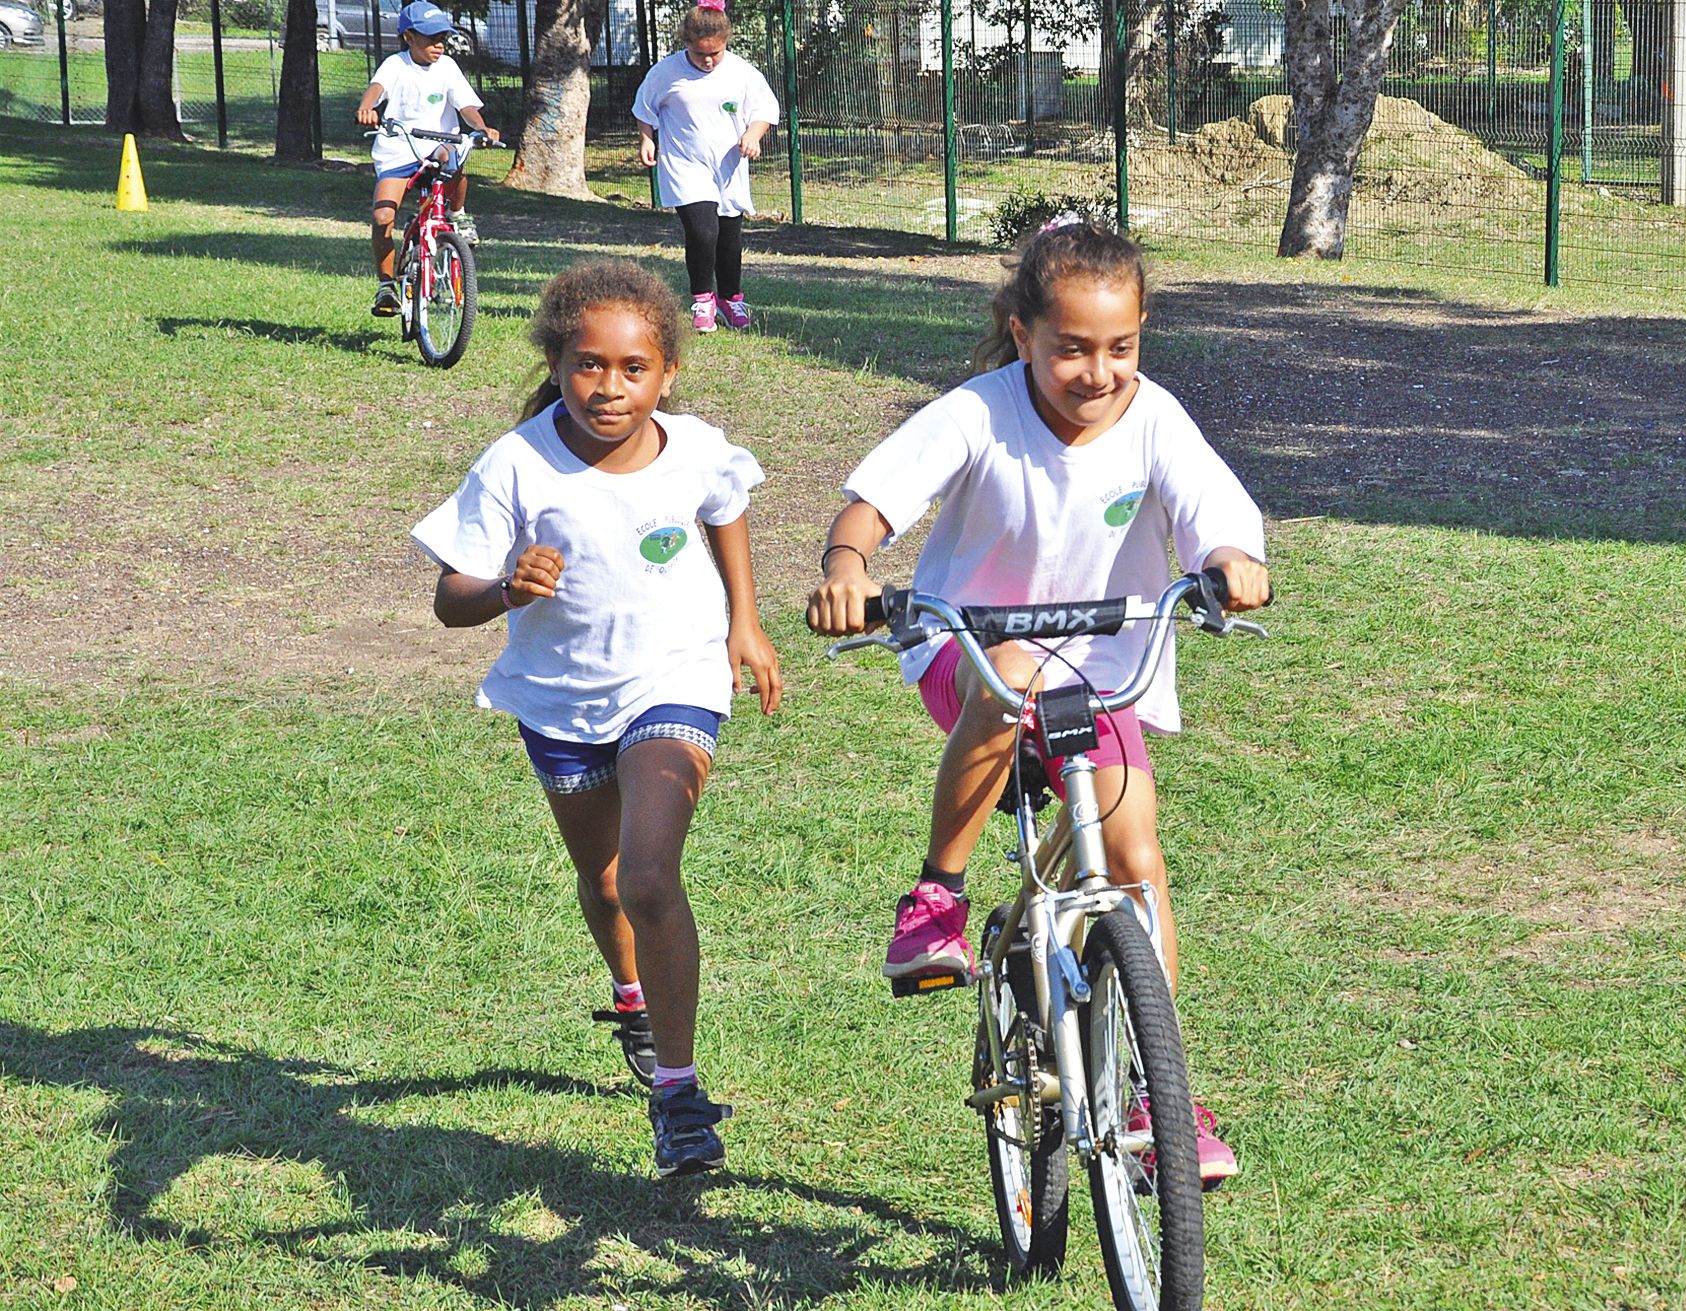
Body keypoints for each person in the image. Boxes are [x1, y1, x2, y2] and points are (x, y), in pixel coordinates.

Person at [805, 218, 1270, 1188]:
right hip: (969, 651)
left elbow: (1213, 511)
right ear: (1022, 334)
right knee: (1012, 670)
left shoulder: (1155, 418)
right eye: (1071, 348)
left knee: (1136, 859)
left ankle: (1155, 1094)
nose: (1098, 372)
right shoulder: (976, 413)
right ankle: (936, 894)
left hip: (1099, 665)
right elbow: (871, 506)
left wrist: (1232, 560)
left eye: (1120, 346)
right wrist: (847, 566)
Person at [412, 259, 781, 1177]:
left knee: (650, 877)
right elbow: (450, 599)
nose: (608, 387)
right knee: (608, 881)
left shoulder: (693, 447)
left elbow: (727, 505)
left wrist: (744, 619)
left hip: (675, 675)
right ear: (557, 362)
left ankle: (678, 1095)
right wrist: (505, 588)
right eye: (588, 364)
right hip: (559, 696)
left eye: (632, 368)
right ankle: (631, 997)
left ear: (667, 373)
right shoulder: (516, 462)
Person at [630, 0, 779, 334]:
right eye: (700, 54)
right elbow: (644, 108)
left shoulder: (742, 72)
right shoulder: (665, 73)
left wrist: (753, 135)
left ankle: (730, 299)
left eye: (715, 53)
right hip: (684, 165)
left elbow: (765, 110)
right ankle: (703, 299)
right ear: (686, 43)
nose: (708, 60)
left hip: (728, 168)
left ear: (726, 42)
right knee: (703, 231)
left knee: (728, 238)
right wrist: (647, 139)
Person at [355, 1, 500, 318]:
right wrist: (367, 108)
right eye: (431, 38)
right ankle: (386, 286)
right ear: (409, 37)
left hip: (437, 145)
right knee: (382, 218)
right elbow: (376, 89)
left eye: (442, 38)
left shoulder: (447, 67)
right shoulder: (396, 65)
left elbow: (466, 107)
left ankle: (457, 214)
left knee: (454, 153)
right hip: (399, 148)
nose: (439, 45)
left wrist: (480, 128)